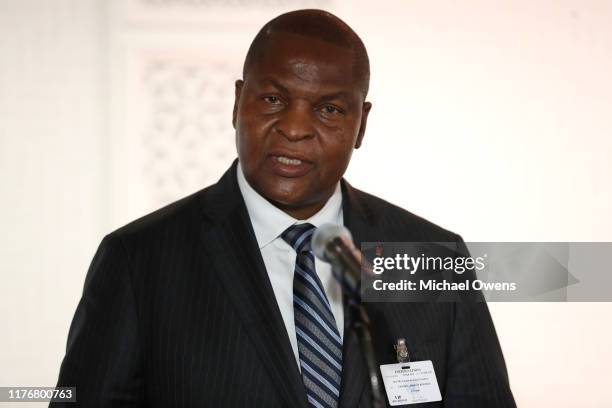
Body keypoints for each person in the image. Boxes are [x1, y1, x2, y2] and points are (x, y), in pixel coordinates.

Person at [53, 9, 516, 408]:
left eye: (329, 109)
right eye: (273, 99)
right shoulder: (139, 261)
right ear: (238, 102)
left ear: (361, 124)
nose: (294, 128)